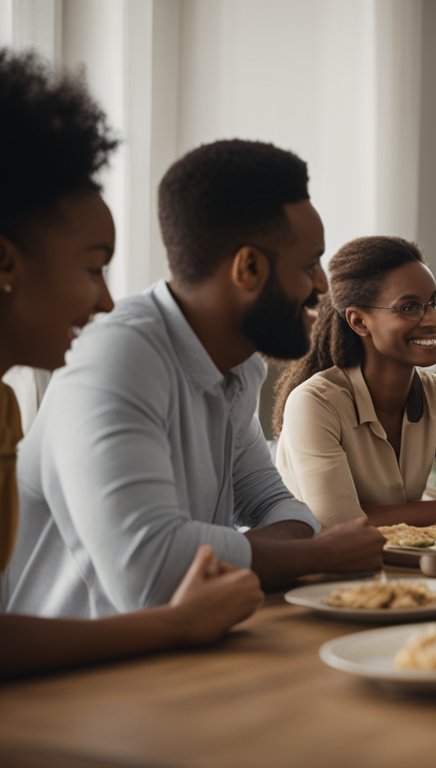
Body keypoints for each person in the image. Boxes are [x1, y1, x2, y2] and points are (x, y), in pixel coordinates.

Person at [2, 137, 386, 620]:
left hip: (178, 660)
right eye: (310, 264)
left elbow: (283, 509)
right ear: (248, 268)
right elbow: (154, 572)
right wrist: (318, 555)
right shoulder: (118, 356)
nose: (322, 286)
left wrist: (210, 552)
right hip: (79, 686)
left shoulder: (237, 363)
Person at [0, 48, 261, 677]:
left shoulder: (4, 409)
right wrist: (173, 624)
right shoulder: (119, 356)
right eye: (93, 267)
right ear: (5, 264)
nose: (108, 299)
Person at [272, 235, 436, 525]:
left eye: (434, 303)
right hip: (325, 567)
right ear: (359, 321)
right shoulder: (315, 402)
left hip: (402, 563)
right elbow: (340, 524)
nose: (435, 320)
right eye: (409, 307)